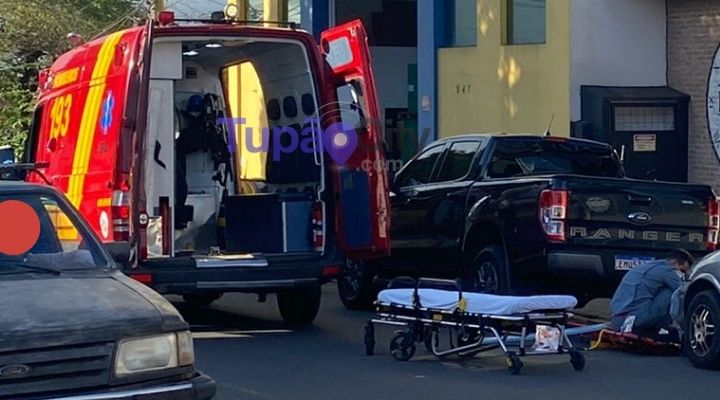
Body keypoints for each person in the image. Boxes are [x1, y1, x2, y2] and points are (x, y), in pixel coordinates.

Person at [610, 249, 694, 335]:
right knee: (674, 292)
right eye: (682, 271)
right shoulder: (667, 271)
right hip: (635, 320)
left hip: (617, 321)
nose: (682, 275)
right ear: (675, 263)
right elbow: (684, 292)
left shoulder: (646, 266)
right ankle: (663, 330)